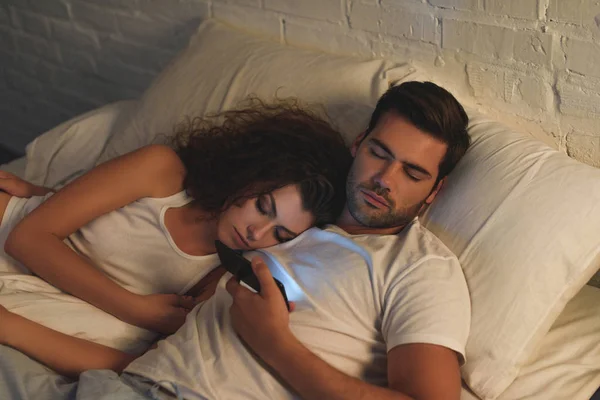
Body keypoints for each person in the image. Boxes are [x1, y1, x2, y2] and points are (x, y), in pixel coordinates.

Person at [0, 81, 472, 400]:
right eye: (379, 153)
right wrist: (50, 197)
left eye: (413, 172)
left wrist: (276, 345)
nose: (384, 179)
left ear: (435, 191)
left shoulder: (420, 268)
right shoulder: (290, 222)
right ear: (358, 143)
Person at [0, 99, 352, 336]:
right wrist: (135, 310)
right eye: (262, 206)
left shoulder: (221, 273)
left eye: (281, 233)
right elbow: (26, 238)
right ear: (250, 173)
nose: (256, 233)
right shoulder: (162, 171)